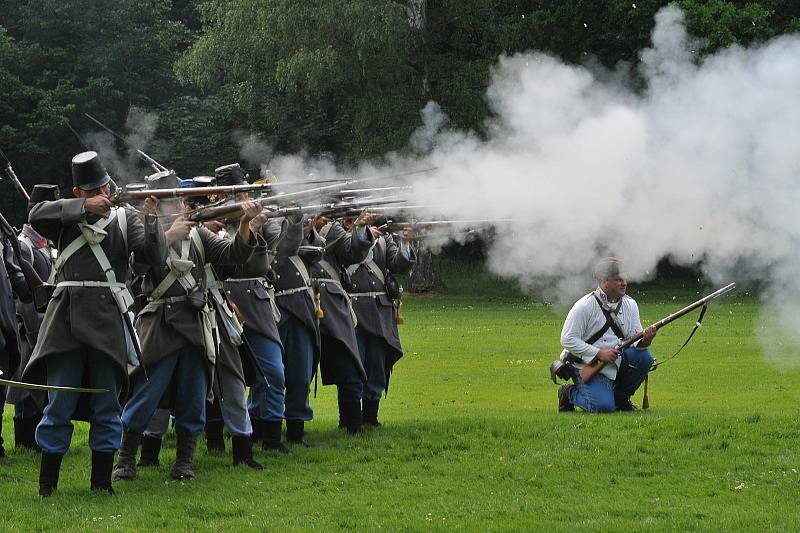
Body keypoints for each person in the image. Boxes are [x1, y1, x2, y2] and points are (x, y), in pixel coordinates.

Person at [24, 151, 165, 496]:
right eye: (91, 191)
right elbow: (35, 214)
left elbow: (153, 256)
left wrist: (150, 219)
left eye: (102, 188)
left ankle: (101, 483)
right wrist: (84, 210)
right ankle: (47, 486)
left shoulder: (124, 217)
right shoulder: (66, 216)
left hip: (107, 319)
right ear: (78, 193)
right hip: (65, 320)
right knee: (59, 402)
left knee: (107, 403)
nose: (100, 194)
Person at [114, 175, 260, 482]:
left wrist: (245, 224)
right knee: (144, 396)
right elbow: (137, 266)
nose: (181, 204)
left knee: (194, 398)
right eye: (173, 199)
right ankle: (125, 458)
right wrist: (166, 234)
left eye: (181, 199)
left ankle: (184, 461)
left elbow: (232, 255)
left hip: (195, 325)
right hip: (159, 326)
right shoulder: (146, 228)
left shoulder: (200, 236)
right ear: (156, 204)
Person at [557, 258, 656, 413]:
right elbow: (567, 339)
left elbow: (634, 340)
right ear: (604, 281)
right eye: (618, 280)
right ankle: (569, 392)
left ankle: (621, 400)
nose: (624, 283)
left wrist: (646, 340)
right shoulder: (584, 306)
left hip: (616, 362)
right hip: (586, 365)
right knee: (602, 408)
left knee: (644, 357)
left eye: (624, 279)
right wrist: (599, 353)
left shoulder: (630, 305)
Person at [343, 220, 415, 426]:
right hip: (351, 310)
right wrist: (360, 236)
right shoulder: (340, 237)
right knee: (353, 367)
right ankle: (350, 421)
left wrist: (405, 241)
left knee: (377, 366)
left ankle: (371, 419)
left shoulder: (384, 241)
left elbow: (399, 265)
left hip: (379, 310)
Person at [8, 184, 59, 450]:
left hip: (47, 326)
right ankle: (25, 439)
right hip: (28, 327)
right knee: (24, 385)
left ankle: (37, 435)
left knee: (42, 382)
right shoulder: (24, 245)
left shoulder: (47, 244)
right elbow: (22, 291)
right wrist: (27, 326)